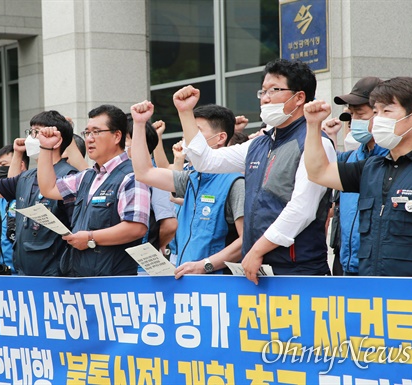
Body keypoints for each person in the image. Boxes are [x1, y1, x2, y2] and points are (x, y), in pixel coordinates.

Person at [180, 58, 336, 284]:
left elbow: (303, 208)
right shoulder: (260, 143)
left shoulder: (316, 144)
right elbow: (206, 161)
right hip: (257, 267)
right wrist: (186, 113)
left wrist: (256, 250)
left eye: (274, 90)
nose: (265, 98)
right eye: (262, 91)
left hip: (298, 269)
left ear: (299, 97)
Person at [304, 76, 412, 277]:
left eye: (386, 111)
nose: (377, 119)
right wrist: (312, 125)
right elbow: (318, 172)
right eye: (375, 112)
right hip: (369, 291)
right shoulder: (372, 168)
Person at [131, 101, 244, 278]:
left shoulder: (235, 183)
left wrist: (206, 265)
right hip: (187, 282)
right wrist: (138, 125)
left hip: (219, 285)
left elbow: (247, 240)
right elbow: (144, 173)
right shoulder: (192, 178)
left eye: (196, 132)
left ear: (220, 138)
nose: (188, 140)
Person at [37, 104, 151, 277]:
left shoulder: (131, 176)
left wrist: (90, 237)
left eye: (96, 132)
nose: (89, 139)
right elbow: (48, 188)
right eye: (87, 132)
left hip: (113, 281)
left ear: (116, 136)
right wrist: (46, 148)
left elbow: (136, 228)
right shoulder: (87, 176)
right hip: (81, 277)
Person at [0, 111, 77, 276]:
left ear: (56, 139)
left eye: (36, 132)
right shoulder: (26, 177)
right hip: (24, 273)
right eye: (30, 132)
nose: (31, 138)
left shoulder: (70, 177)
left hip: (57, 275)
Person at [332, 77, 388, 275]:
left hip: (377, 269)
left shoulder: (392, 159)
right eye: (351, 114)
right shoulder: (351, 158)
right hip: (345, 263)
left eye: (360, 114)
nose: (354, 120)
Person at [124, 113, 178, 255]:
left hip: (140, 265)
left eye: (125, 139)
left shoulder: (153, 175)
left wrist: (150, 247)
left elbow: (169, 225)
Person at [0, 144, 28, 273]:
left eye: (4, 165)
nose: (0, 169)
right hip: (0, 272)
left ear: (21, 165)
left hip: (23, 273)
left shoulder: (29, 196)